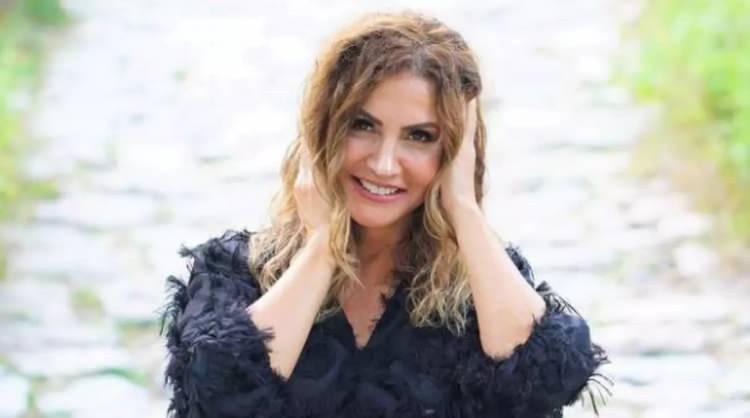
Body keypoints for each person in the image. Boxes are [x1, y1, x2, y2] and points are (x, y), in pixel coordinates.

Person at [160, 11, 611, 418]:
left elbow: (548, 377)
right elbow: (218, 394)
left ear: (455, 153)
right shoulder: (236, 273)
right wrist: (323, 247)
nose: (384, 163)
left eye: (420, 136)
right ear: (324, 130)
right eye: (363, 125)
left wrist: (464, 207)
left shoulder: (481, 285)